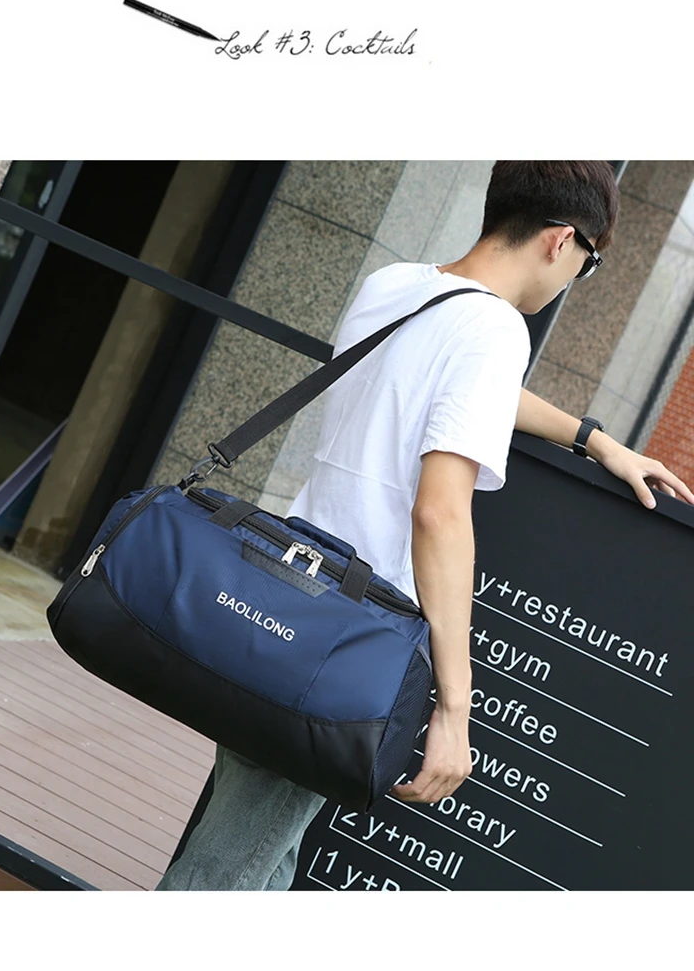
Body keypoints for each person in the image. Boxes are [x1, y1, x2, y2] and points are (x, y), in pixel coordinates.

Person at [155, 161, 694, 891]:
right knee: (223, 875)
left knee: (265, 856)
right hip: (351, 637)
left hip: (285, 590)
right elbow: (439, 512)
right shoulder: (496, 329)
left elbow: (471, 389)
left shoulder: (397, 285)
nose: (575, 278)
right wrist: (455, 707)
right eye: (588, 264)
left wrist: (592, 438)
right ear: (560, 240)